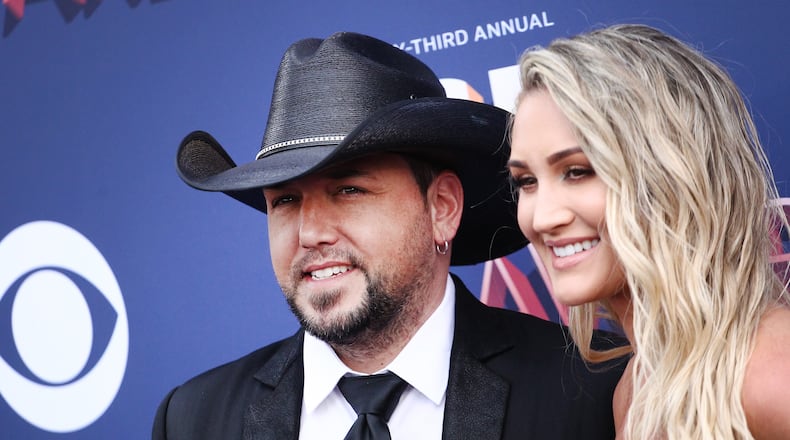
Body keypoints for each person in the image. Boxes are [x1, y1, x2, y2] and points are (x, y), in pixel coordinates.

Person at [152, 31, 624, 439]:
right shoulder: (194, 420)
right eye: (285, 201)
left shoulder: (596, 388)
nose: (310, 232)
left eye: (349, 190)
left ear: (442, 208)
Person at [508, 23, 790, 439]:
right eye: (526, 182)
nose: (542, 217)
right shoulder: (633, 387)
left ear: (671, 174)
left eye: (578, 171)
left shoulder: (771, 374)